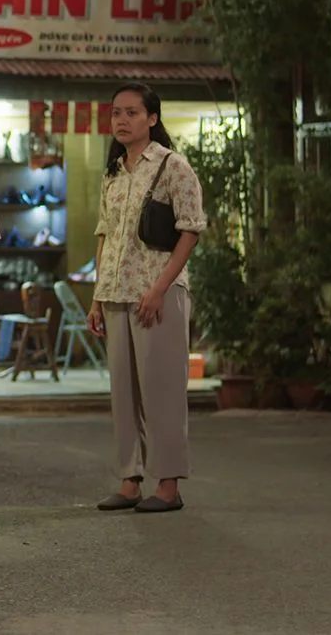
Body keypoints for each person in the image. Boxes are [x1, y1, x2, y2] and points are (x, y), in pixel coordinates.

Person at [86, 82, 207, 513]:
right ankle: (129, 480)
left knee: (163, 392)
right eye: (116, 112)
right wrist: (97, 298)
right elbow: (104, 236)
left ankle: (168, 486)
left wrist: (159, 289)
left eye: (132, 112)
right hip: (116, 294)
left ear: (152, 119)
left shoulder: (174, 166)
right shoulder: (113, 173)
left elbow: (190, 231)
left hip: (159, 294)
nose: (121, 120)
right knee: (123, 394)